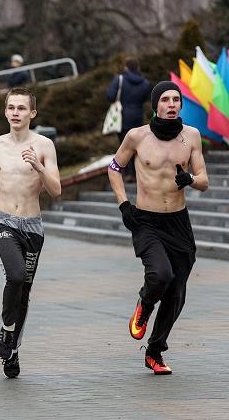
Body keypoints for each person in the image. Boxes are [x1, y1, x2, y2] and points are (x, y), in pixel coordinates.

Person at [108, 81, 208, 375]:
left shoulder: (191, 136)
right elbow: (114, 167)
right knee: (160, 275)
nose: (172, 104)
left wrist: (189, 179)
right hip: (146, 220)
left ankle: (155, 351)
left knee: (177, 290)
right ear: (156, 104)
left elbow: (204, 179)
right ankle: (145, 302)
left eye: (176, 99)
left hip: (178, 222)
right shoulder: (137, 136)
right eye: (165, 99)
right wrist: (124, 204)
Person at [0, 87, 61, 378]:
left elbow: (56, 190)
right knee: (16, 276)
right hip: (1, 221)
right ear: (5, 111)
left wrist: (38, 166)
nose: (15, 113)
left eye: (22, 108)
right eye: (11, 108)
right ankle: (7, 327)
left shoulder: (45, 145)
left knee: (23, 291)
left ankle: (12, 351)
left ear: (32, 113)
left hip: (33, 226)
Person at [106, 56, 152, 182]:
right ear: (138, 67)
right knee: (137, 146)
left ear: (126, 67)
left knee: (124, 146)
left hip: (122, 118)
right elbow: (147, 98)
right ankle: (136, 172)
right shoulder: (145, 83)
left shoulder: (119, 79)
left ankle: (127, 173)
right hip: (138, 117)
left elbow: (110, 96)